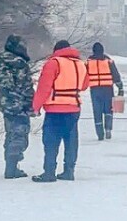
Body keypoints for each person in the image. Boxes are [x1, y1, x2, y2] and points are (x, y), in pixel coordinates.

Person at [31, 40, 90, 182]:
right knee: (71, 141)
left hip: (55, 109)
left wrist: (36, 107)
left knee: (51, 141)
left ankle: (49, 172)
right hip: (74, 107)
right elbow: (84, 85)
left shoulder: (53, 63)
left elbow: (44, 88)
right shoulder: (81, 64)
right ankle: (69, 171)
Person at [0, 35, 33, 179]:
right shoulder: (20, 63)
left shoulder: (0, 59)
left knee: (10, 133)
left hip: (5, 102)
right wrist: (30, 105)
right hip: (19, 103)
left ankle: (10, 166)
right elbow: (26, 86)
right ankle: (12, 168)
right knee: (20, 134)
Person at [86, 42, 124, 141]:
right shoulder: (108, 61)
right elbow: (115, 75)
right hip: (108, 89)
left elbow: (84, 76)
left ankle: (99, 134)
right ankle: (108, 128)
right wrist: (120, 87)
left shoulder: (88, 62)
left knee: (97, 111)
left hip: (94, 89)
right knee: (109, 109)